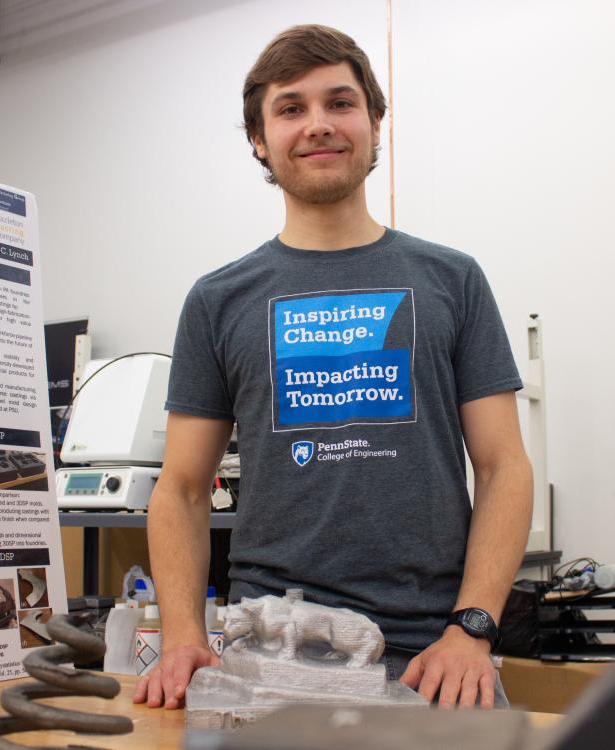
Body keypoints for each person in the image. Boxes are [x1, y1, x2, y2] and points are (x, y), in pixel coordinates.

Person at [133, 24, 532, 711]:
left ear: (375, 123)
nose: (318, 125)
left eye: (340, 103)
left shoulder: (453, 280)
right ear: (260, 139)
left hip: (434, 657)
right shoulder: (217, 299)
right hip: (270, 651)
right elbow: (182, 489)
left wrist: (471, 629)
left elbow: (504, 467)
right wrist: (181, 634)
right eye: (290, 108)